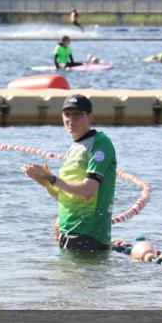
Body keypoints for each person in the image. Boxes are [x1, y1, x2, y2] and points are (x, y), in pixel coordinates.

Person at [21, 94, 117, 252]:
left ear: (90, 117)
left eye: (77, 114)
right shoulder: (74, 147)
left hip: (88, 234)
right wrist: (43, 181)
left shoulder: (100, 142)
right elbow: (64, 194)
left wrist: (51, 178)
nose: (71, 119)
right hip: (68, 231)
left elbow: (87, 190)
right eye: (67, 114)